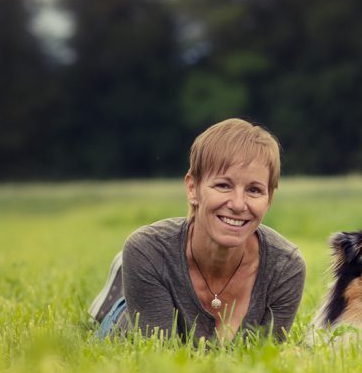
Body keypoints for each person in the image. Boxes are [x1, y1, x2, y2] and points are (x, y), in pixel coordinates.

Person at [88, 118, 306, 343]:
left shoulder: (286, 268)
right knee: (117, 310)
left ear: (269, 199)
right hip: (127, 320)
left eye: (254, 190)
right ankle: (121, 284)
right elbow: (159, 358)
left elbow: (266, 357)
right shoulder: (147, 249)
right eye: (223, 185)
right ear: (193, 189)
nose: (239, 204)